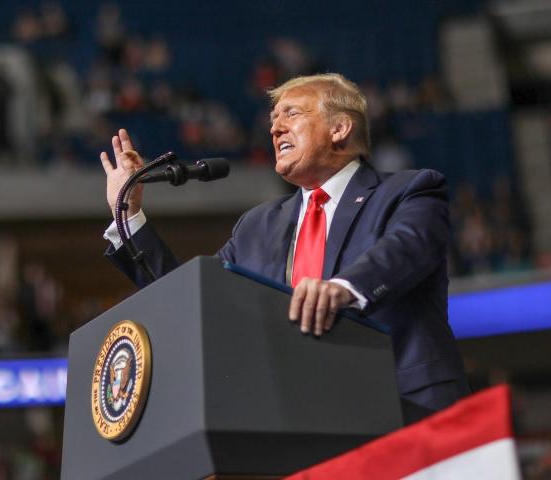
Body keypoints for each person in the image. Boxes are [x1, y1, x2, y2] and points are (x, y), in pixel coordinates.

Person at [98, 73, 469, 418]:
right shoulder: (256, 227)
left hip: (404, 406)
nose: (275, 128)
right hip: (298, 421)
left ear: (340, 128)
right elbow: (193, 299)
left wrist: (342, 289)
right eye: (273, 118)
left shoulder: (410, 190)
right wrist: (128, 216)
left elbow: (407, 249)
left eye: (291, 114)